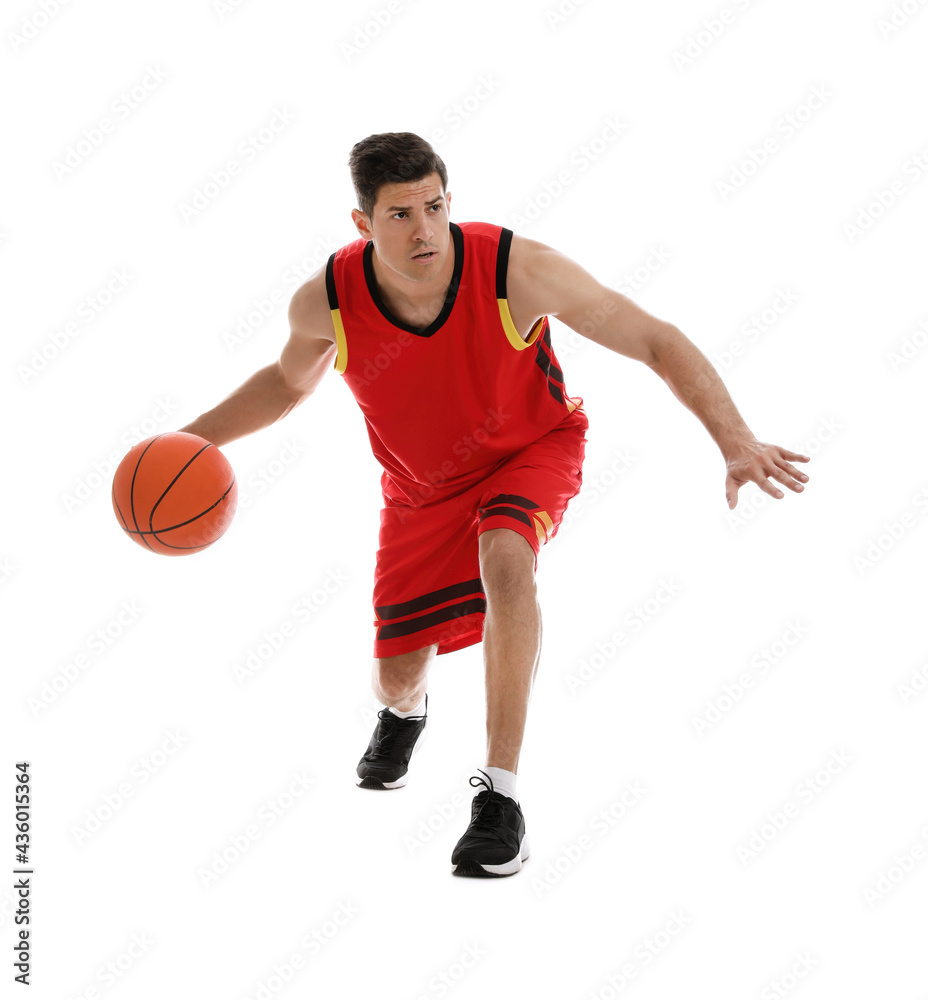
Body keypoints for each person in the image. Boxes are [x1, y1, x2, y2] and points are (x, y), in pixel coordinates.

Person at [179, 131, 810, 878]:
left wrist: (734, 439)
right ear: (362, 224)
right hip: (419, 491)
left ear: (451, 200)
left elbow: (654, 339)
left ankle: (499, 798)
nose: (424, 230)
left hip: (530, 449)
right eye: (400, 214)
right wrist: (183, 443)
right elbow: (286, 385)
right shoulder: (328, 300)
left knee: (506, 558)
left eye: (435, 206)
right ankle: (405, 715)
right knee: (396, 675)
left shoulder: (516, 271)